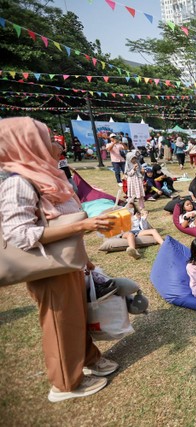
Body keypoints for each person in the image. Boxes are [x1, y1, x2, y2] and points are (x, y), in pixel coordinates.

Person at [0, 117, 119, 402]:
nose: (56, 143)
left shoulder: (47, 174)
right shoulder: (19, 182)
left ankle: (89, 359)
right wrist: (82, 227)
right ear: (29, 145)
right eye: (48, 138)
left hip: (67, 261)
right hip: (47, 269)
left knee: (78, 315)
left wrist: (84, 258)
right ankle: (64, 383)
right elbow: (19, 234)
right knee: (60, 321)